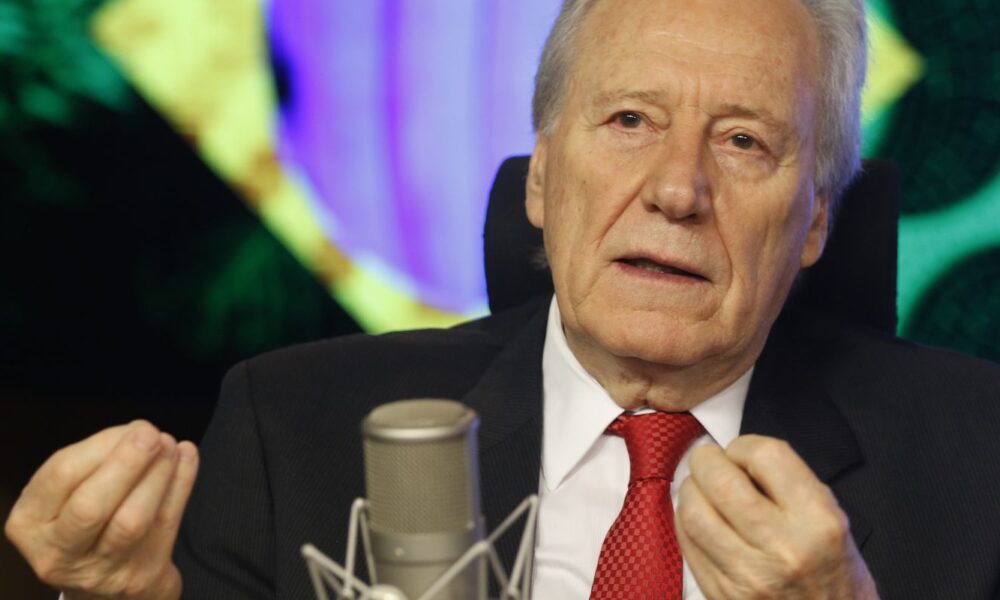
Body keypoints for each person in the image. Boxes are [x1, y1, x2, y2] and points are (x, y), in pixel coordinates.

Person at [7, 0, 1000, 598]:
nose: (677, 189)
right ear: (540, 177)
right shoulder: (295, 425)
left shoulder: (978, 461)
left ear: (817, 219)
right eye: (629, 120)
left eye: (744, 141)